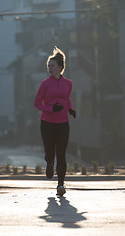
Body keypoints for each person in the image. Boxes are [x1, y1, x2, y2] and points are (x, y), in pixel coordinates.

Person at [34, 47, 76, 196]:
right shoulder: (44, 84)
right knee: (50, 152)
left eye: (52, 65)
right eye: (48, 66)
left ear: (60, 67)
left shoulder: (68, 83)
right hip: (47, 123)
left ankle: (60, 184)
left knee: (62, 153)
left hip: (63, 123)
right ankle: (49, 163)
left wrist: (70, 109)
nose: (49, 68)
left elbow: (66, 99)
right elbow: (37, 103)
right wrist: (51, 108)